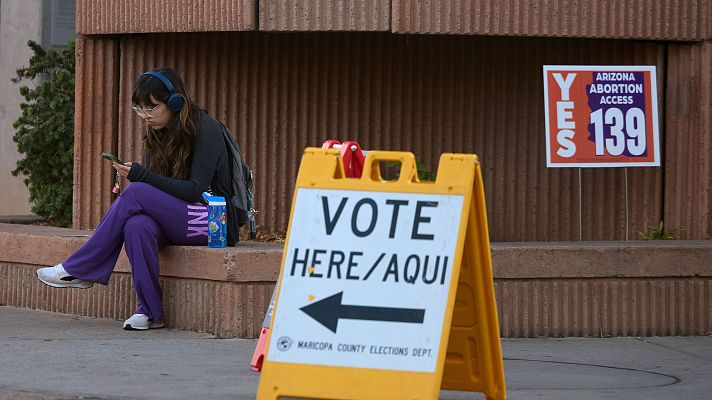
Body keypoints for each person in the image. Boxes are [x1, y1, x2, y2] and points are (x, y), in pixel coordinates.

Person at [36, 67, 240, 330]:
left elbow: (193, 190)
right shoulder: (159, 132)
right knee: (137, 226)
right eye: (139, 110)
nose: (145, 116)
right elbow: (162, 189)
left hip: (215, 222)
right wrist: (142, 177)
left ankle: (80, 268)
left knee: (136, 191)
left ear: (175, 102)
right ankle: (150, 311)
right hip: (183, 218)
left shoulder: (206, 129)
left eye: (152, 108)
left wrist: (141, 176)